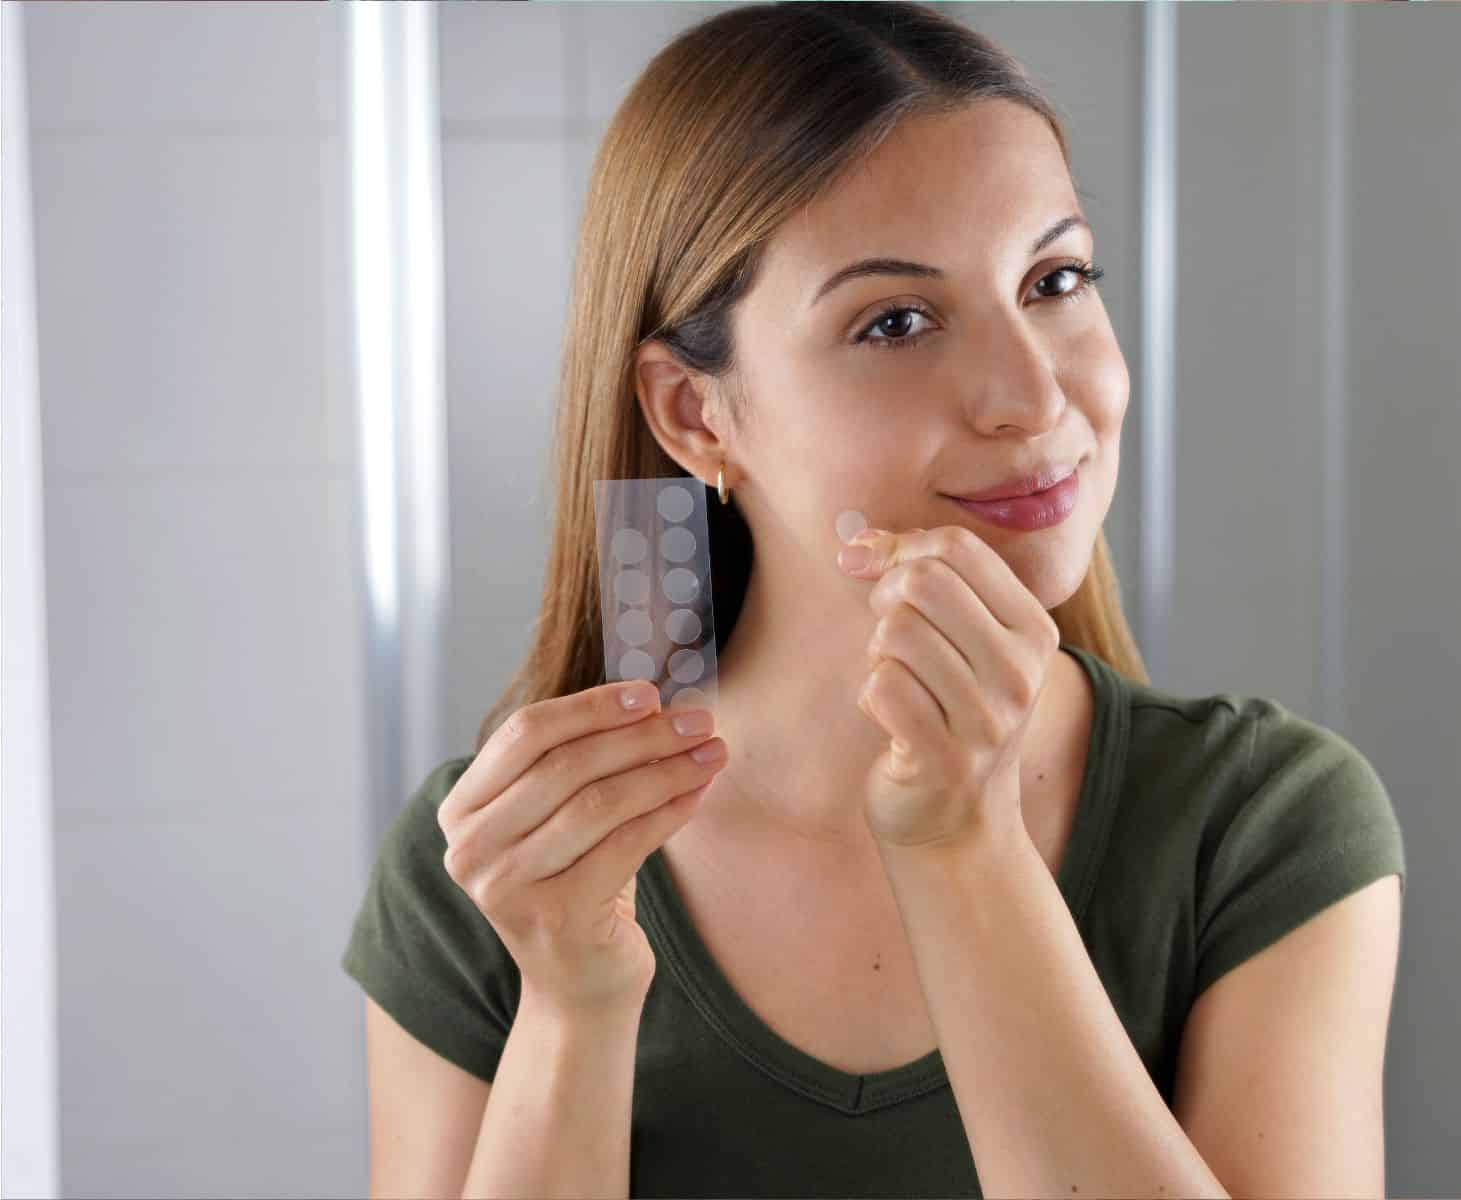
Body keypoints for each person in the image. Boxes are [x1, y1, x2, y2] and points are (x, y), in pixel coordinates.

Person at [341, 4, 1406, 1198]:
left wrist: (966, 848)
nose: (1030, 394)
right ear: (697, 415)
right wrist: (572, 1008)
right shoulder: (501, 866)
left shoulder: (1261, 827)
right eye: (896, 321)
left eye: (1055, 278)